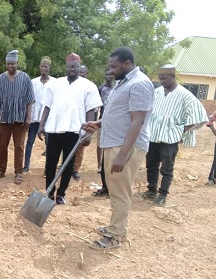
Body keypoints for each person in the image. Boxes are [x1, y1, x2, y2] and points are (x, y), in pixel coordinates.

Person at [83, 46, 154, 250]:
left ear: (127, 64)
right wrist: (99, 124)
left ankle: (114, 237)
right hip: (113, 143)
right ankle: (116, 227)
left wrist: (123, 155)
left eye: (114, 66)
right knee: (115, 190)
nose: (111, 70)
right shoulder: (124, 83)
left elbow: (137, 122)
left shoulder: (140, 84)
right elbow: (119, 113)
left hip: (125, 147)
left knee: (121, 192)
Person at [38, 53, 102, 205]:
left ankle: (61, 194)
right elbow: (47, 105)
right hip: (54, 130)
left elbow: (91, 110)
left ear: (79, 67)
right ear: (65, 68)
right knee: (50, 164)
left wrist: (87, 133)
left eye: (74, 66)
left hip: (74, 132)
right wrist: (41, 125)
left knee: (67, 164)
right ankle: (49, 192)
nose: (71, 69)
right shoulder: (55, 83)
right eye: (69, 67)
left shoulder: (88, 86)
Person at [141, 64, 207, 206]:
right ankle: (151, 190)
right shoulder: (157, 92)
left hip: (170, 140)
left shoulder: (185, 95)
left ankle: (163, 195)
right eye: (160, 78)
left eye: (164, 78)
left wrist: (181, 130)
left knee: (167, 168)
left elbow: (199, 115)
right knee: (151, 165)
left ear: (172, 76)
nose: (162, 81)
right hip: (153, 136)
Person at [0, 50, 34, 185]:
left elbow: (30, 99)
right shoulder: (0, 79)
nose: (10, 66)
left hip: (20, 119)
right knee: (2, 145)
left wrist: (28, 117)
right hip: (3, 118)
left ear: (17, 63)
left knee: (19, 146)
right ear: (6, 64)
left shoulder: (25, 78)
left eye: (13, 64)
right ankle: (1, 170)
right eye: (8, 64)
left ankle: (18, 172)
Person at [22, 56, 55, 174]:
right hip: (34, 118)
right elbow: (29, 100)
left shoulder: (54, 82)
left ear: (49, 68)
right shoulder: (33, 82)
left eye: (46, 66)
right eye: (42, 66)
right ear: (39, 68)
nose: (44, 68)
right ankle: (26, 166)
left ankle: (48, 168)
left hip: (47, 119)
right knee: (30, 142)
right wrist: (28, 117)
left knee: (49, 144)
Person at [93, 68, 115, 197]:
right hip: (103, 122)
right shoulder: (101, 89)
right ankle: (105, 187)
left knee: (112, 156)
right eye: (106, 74)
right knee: (104, 153)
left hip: (115, 127)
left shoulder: (118, 89)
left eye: (110, 74)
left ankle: (112, 189)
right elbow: (97, 106)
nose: (108, 76)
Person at [71, 64, 91, 181]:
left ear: (86, 74)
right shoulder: (73, 87)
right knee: (69, 146)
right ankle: (67, 168)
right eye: (80, 72)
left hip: (83, 123)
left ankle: (75, 170)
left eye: (83, 72)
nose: (81, 74)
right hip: (72, 122)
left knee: (80, 148)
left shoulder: (89, 88)